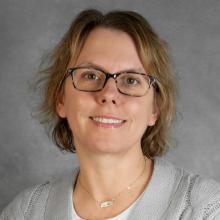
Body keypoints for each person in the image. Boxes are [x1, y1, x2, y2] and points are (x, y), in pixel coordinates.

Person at [1, 9, 220, 220]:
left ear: (154, 109)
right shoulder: (24, 213)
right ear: (61, 99)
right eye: (90, 75)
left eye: (131, 80)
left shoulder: (206, 210)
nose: (108, 94)